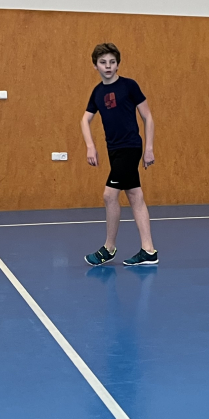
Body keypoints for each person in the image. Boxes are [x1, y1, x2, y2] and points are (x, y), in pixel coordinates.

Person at [80, 43, 158, 267]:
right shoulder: (97, 92)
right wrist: (90, 146)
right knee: (135, 195)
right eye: (103, 62)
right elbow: (85, 119)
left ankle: (109, 248)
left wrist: (149, 148)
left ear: (117, 64)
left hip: (130, 147)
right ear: (95, 66)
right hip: (113, 149)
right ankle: (149, 250)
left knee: (109, 195)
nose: (108, 66)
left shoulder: (129, 86)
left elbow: (148, 117)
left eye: (112, 62)